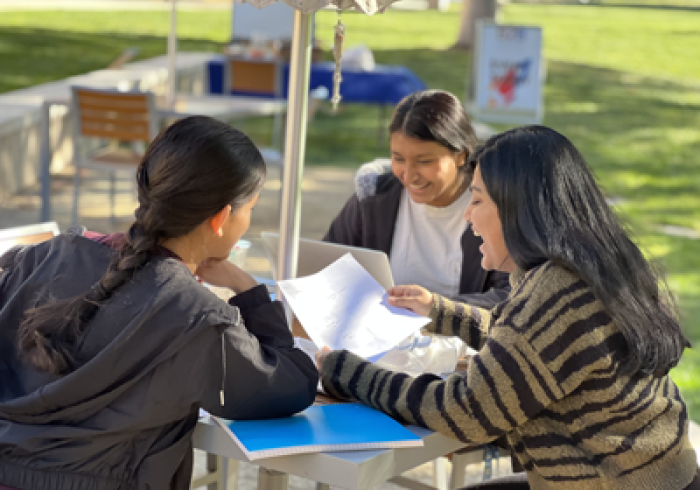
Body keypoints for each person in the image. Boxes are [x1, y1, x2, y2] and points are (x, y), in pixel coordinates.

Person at [317, 125, 698, 489]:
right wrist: (440, 311)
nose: (468, 216)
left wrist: (348, 373)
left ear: (518, 209)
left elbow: (465, 411)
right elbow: (526, 342)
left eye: (478, 200)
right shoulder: (587, 267)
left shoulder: (556, 291)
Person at [0, 116, 318, 490]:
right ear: (221, 219)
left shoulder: (40, 258)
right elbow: (291, 383)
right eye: (250, 209)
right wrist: (248, 289)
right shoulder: (195, 320)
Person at [323, 89, 510, 376]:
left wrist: (434, 308)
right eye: (398, 158)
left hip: (461, 369)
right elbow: (327, 268)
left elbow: (513, 297)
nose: (409, 175)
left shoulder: (495, 209)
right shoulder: (373, 197)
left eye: (424, 161)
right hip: (380, 358)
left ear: (461, 155)